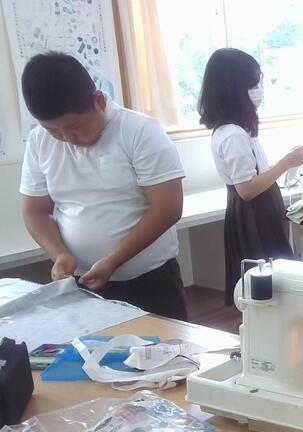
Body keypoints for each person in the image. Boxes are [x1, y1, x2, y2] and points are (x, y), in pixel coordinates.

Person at [19, 52, 188, 320]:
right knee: (89, 346)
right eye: (54, 130)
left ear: (98, 101)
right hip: (81, 283)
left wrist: (113, 260)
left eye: (74, 126)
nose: (66, 137)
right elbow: (35, 210)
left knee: (166, 345)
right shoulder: (39, 141)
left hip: (149, 282)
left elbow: (167, 209)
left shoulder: (139, 131)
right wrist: (59, 254)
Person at [198, 48, 303, 305]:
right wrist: (286, 163)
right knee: (264, 286)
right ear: (235, 89)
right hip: (253, 215)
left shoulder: (238, 131)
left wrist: (289, 160)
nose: (259, 90)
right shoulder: (232, 135)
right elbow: (247, 189)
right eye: (253, 84)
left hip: (259, 210)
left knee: (272, 282)